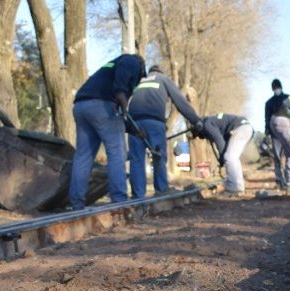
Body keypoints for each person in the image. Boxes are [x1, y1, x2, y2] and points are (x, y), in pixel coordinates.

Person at [68, 53, 145, 209]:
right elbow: (120, 94)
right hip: (101, 104)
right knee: (117, 152)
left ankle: (76, 203)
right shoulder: (132, 60)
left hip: (81, 106)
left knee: (83, 156)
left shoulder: (109, 69)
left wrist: (134, 130)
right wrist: (121, 94)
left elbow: (118, 118)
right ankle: (119, 201)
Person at [127, 64, 200, 198]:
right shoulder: (163, 79)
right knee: (158, 155)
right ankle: (161, 189)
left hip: (133, 123)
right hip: (154, 122)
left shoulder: (139, 81)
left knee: (136, 159)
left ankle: (137, 196)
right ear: (160, 72)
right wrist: (196, 121)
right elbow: (180, 101)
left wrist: (127, 124)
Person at [193, 113, 253, 195]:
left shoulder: (207, 124)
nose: (204, 137)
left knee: (230, 157)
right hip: (245, 128)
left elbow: (219, 140)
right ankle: (238, 187)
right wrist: (222, 160)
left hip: (241, 128)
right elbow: (223, 143)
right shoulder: (214, 122)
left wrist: (222, 158)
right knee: (232, 157)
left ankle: (233, 188)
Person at [263, 78, 289, 190]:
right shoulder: (269, 103)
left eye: (277, 87)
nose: (276, 89)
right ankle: (280, 181)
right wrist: (267, 132)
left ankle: (288, 180)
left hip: (288, 132)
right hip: (276, 134)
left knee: (288, 155)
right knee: (278, 157)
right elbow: (267, 118)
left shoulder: (288, 98)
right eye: (275, 88)